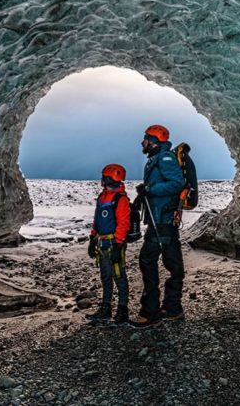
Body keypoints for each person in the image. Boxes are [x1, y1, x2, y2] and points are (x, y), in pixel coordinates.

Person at [130, 124, 186, 328]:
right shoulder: (159, 158)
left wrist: (150, 189)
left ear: (153, 141)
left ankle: (150, 312)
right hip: (163, 219)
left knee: (147, 260)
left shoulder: (165, 158)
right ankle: (173, 308)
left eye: (145, 138)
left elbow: (176, 183)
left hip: (162, 220)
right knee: (173, 264)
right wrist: (142, 195)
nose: (142, 142)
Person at [85, 163, 131, 324]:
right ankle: (106, 308)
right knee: (106, 276)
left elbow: (123, 223)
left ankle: (122, 310)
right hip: (102, 242)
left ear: (109, 178)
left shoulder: (120, 199)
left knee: (119, 276)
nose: (102, 180)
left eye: (104, 177)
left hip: (113, 243)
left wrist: (118, 245)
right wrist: (92, 238)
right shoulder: (103, 197)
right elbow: (97, 219)